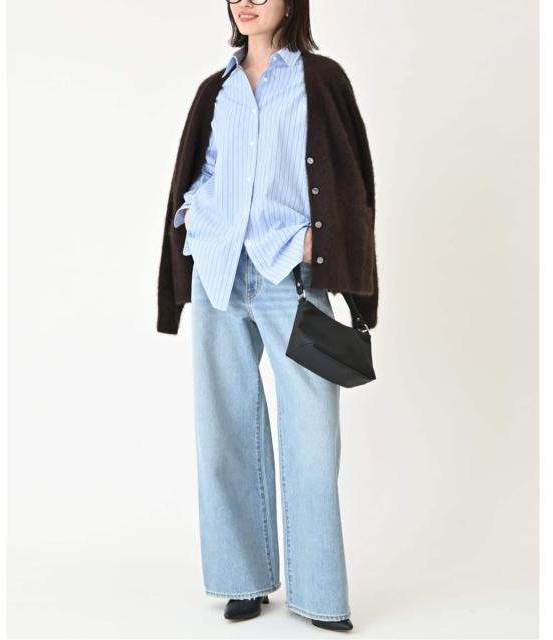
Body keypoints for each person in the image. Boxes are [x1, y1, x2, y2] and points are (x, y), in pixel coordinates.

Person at [158, 0, 378, 632]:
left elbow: (355, 178)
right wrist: (195, 217)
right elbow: (200, 171)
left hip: (291, 274)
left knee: (312, 437)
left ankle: (320, 595)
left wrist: (323, 242)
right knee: (224, 428)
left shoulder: (321, 80)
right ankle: (242, 579)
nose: (246, 0)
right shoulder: (216, 90)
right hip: (219, 270)